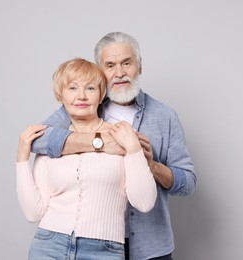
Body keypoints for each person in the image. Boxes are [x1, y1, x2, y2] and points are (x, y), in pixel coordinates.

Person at [31, 32, 197, 260]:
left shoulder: (165, 116)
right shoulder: (85, 106)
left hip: (151, 247)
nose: (119, 73)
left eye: (126, 63)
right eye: (110, 66)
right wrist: (100, 142)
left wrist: (149, 164)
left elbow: (187, 182)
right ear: (100, 71)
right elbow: (39, 139)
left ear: (139, 66)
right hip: (94, 246)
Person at [17, 58, 157, 260]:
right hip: (48, 246)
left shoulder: (122, 137)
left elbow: (144, 202)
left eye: (90, 88)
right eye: (72, 88)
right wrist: (21, 160)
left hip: (103, 250)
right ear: (60, 95)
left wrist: (134, 148)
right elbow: (33, 213)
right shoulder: (52, 143)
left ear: (101, 95)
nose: (81, 96)